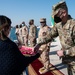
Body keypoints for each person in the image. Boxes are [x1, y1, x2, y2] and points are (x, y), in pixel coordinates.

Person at [34, 1, 75, 75]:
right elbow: (50, 35)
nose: (54, 17)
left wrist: (64, 52)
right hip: (68, 61)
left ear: (64, 13)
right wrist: (39, 43)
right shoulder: (59, 25)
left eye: (56, 15)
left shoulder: (73, 25)